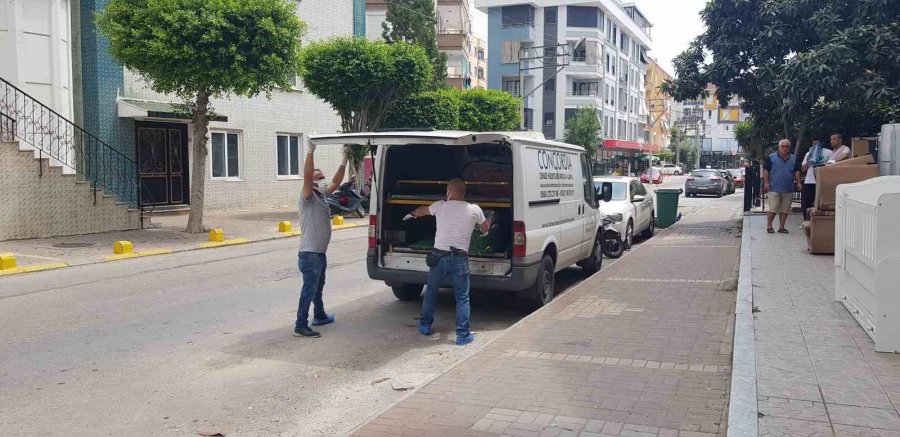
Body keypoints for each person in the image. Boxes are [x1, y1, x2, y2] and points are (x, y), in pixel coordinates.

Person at [406, 179, 492, 346]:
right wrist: (484, 223)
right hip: (459, 258)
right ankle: (462, 335)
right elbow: (485, 228)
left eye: (446, 190)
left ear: (450, 192)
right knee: (462, 297)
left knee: (431, 291)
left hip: (438, 257)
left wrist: (413, 213)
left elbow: (423, 211)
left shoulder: (440, 206)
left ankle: (425, 325)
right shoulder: (475, 209)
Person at [293, 142, 348, 338]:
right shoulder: (307, 196)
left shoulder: (321, 195)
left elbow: (336, 181)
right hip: (310, 254)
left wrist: (343, 161)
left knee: (318, 286)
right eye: (319, 178)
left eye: (322, 177)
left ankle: (320, 315)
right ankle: (300, 324)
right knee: (309, 289)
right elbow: (307, 176)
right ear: (312, 182)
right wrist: (310, 152)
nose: (323, 180)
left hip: (319, 253)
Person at [762, 139, 802, 234]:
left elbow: (796, 171)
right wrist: (766, 183)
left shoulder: (793, 158)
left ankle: (781, 227)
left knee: (785, 209)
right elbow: (766, 170)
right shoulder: (771, 157)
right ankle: (769, 226)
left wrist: (799, 182)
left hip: (788, 188)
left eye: (787, 146)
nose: (785, 148)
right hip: (774, 187)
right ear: (779, 147)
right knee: (773, 207)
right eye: (783, 146)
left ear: (789, 148)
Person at [800, 138, 833, 220]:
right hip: (810, 181)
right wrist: (808, 159)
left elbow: (832, 165)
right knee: (806, 202)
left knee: (820, 202)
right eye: (814, 144)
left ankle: (819, 220)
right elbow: (803, 169)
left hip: (823, 180)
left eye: (817, 144)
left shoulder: (828, 152)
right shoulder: (808, 153)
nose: (815, 146)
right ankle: (806, 221)